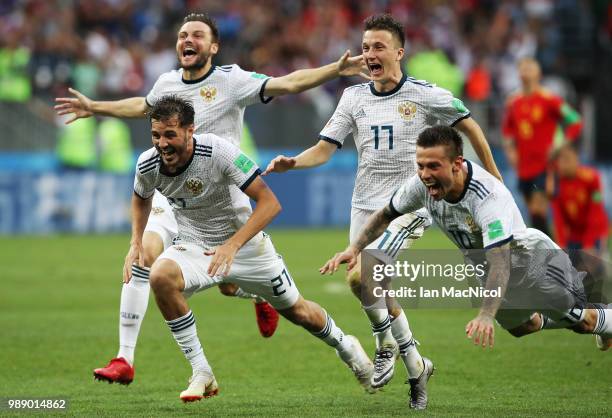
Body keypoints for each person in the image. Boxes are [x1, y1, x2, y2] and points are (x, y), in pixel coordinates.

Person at [54, 12, 366, 385]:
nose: (187, 40)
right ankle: (124, 358)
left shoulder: (231, 81)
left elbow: (286, 84)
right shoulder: (168, 83)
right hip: (174, 197)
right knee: (145, 258)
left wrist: (335, 69)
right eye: (183, 34)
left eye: (197, 35)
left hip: (223, 200)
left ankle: (258, 295)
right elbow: (142, 106)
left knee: (232, 283)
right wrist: (95, 107)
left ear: (213, 47)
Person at [264, 14, 501, 410]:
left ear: (398, 52)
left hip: (411, 203)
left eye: (378, 47)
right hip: (364, 205)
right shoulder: (353, 98)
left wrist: (493, 180)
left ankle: (383, 343)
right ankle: (416, 366)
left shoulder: (425, 94)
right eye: (365, 47)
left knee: (363, 275)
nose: (369, 54)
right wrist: (294, 162)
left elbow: (471, 126)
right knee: (369, 287)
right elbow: (325, 148)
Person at [130, 95, 373, 402]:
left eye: (170, 135)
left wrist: (233, 245)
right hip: (194, 244)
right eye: (156, 135)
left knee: (299, 312)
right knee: (161, 277)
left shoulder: (218, 151)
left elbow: (271, 203)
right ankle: (202, 371)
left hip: (246, 247)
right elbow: (141, 197)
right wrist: (135, 242)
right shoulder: (148, 162)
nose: (162, 144)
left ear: (190, 130)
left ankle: (346, 346)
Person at [321, 125, 612, 355]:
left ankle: (604, 321)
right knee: (524, 327)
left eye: (433, 166)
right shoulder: (420, 185)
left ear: (457, 163)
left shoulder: (488, 197)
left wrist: (486, 315)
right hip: (486, 270)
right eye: (421, 165)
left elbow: (501, 261)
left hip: (531, 262)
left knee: (583, 323)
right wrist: (354, 248)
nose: (425, 174)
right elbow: (385, 214)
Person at [502, 57, 583, 236]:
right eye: (523, 67)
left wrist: (561, 144)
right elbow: (507, 130)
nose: (526, 71)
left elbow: (575, 121)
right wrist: (510, 150)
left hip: (545, 165)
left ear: (539, 73)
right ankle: (547, 253)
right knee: (533, 213)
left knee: (539, 210)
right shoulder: (513, 102)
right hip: (523, 166)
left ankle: (552, 255)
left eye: (530, 67)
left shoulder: (550, 99)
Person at [548, 143, 609, 305]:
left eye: (567, 159)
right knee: (570, 272)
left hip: (595, 231)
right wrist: (560, 245)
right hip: (574, 235)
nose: (564, 164)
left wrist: (589, 244)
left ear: (577, 159)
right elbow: (558, 219)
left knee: (594, 268)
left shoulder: (591, 178)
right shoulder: (557, 184)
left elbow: (595, 214)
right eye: (561, 160)